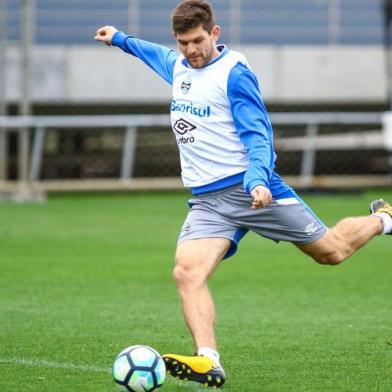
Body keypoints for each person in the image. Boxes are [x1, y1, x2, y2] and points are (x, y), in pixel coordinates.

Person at [95, 0, 392, 388]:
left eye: (198, 40)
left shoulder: (234, 73)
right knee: (187, 271)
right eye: (184, 42)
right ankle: (208, 361)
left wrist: (258, 180)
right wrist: (119, 38)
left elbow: (258, 134)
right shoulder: (179, 65)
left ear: (214, 34)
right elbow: (154, 53)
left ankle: (383, 217)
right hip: (208, 203)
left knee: (332, 251)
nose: (191, 50)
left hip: (251, 190)